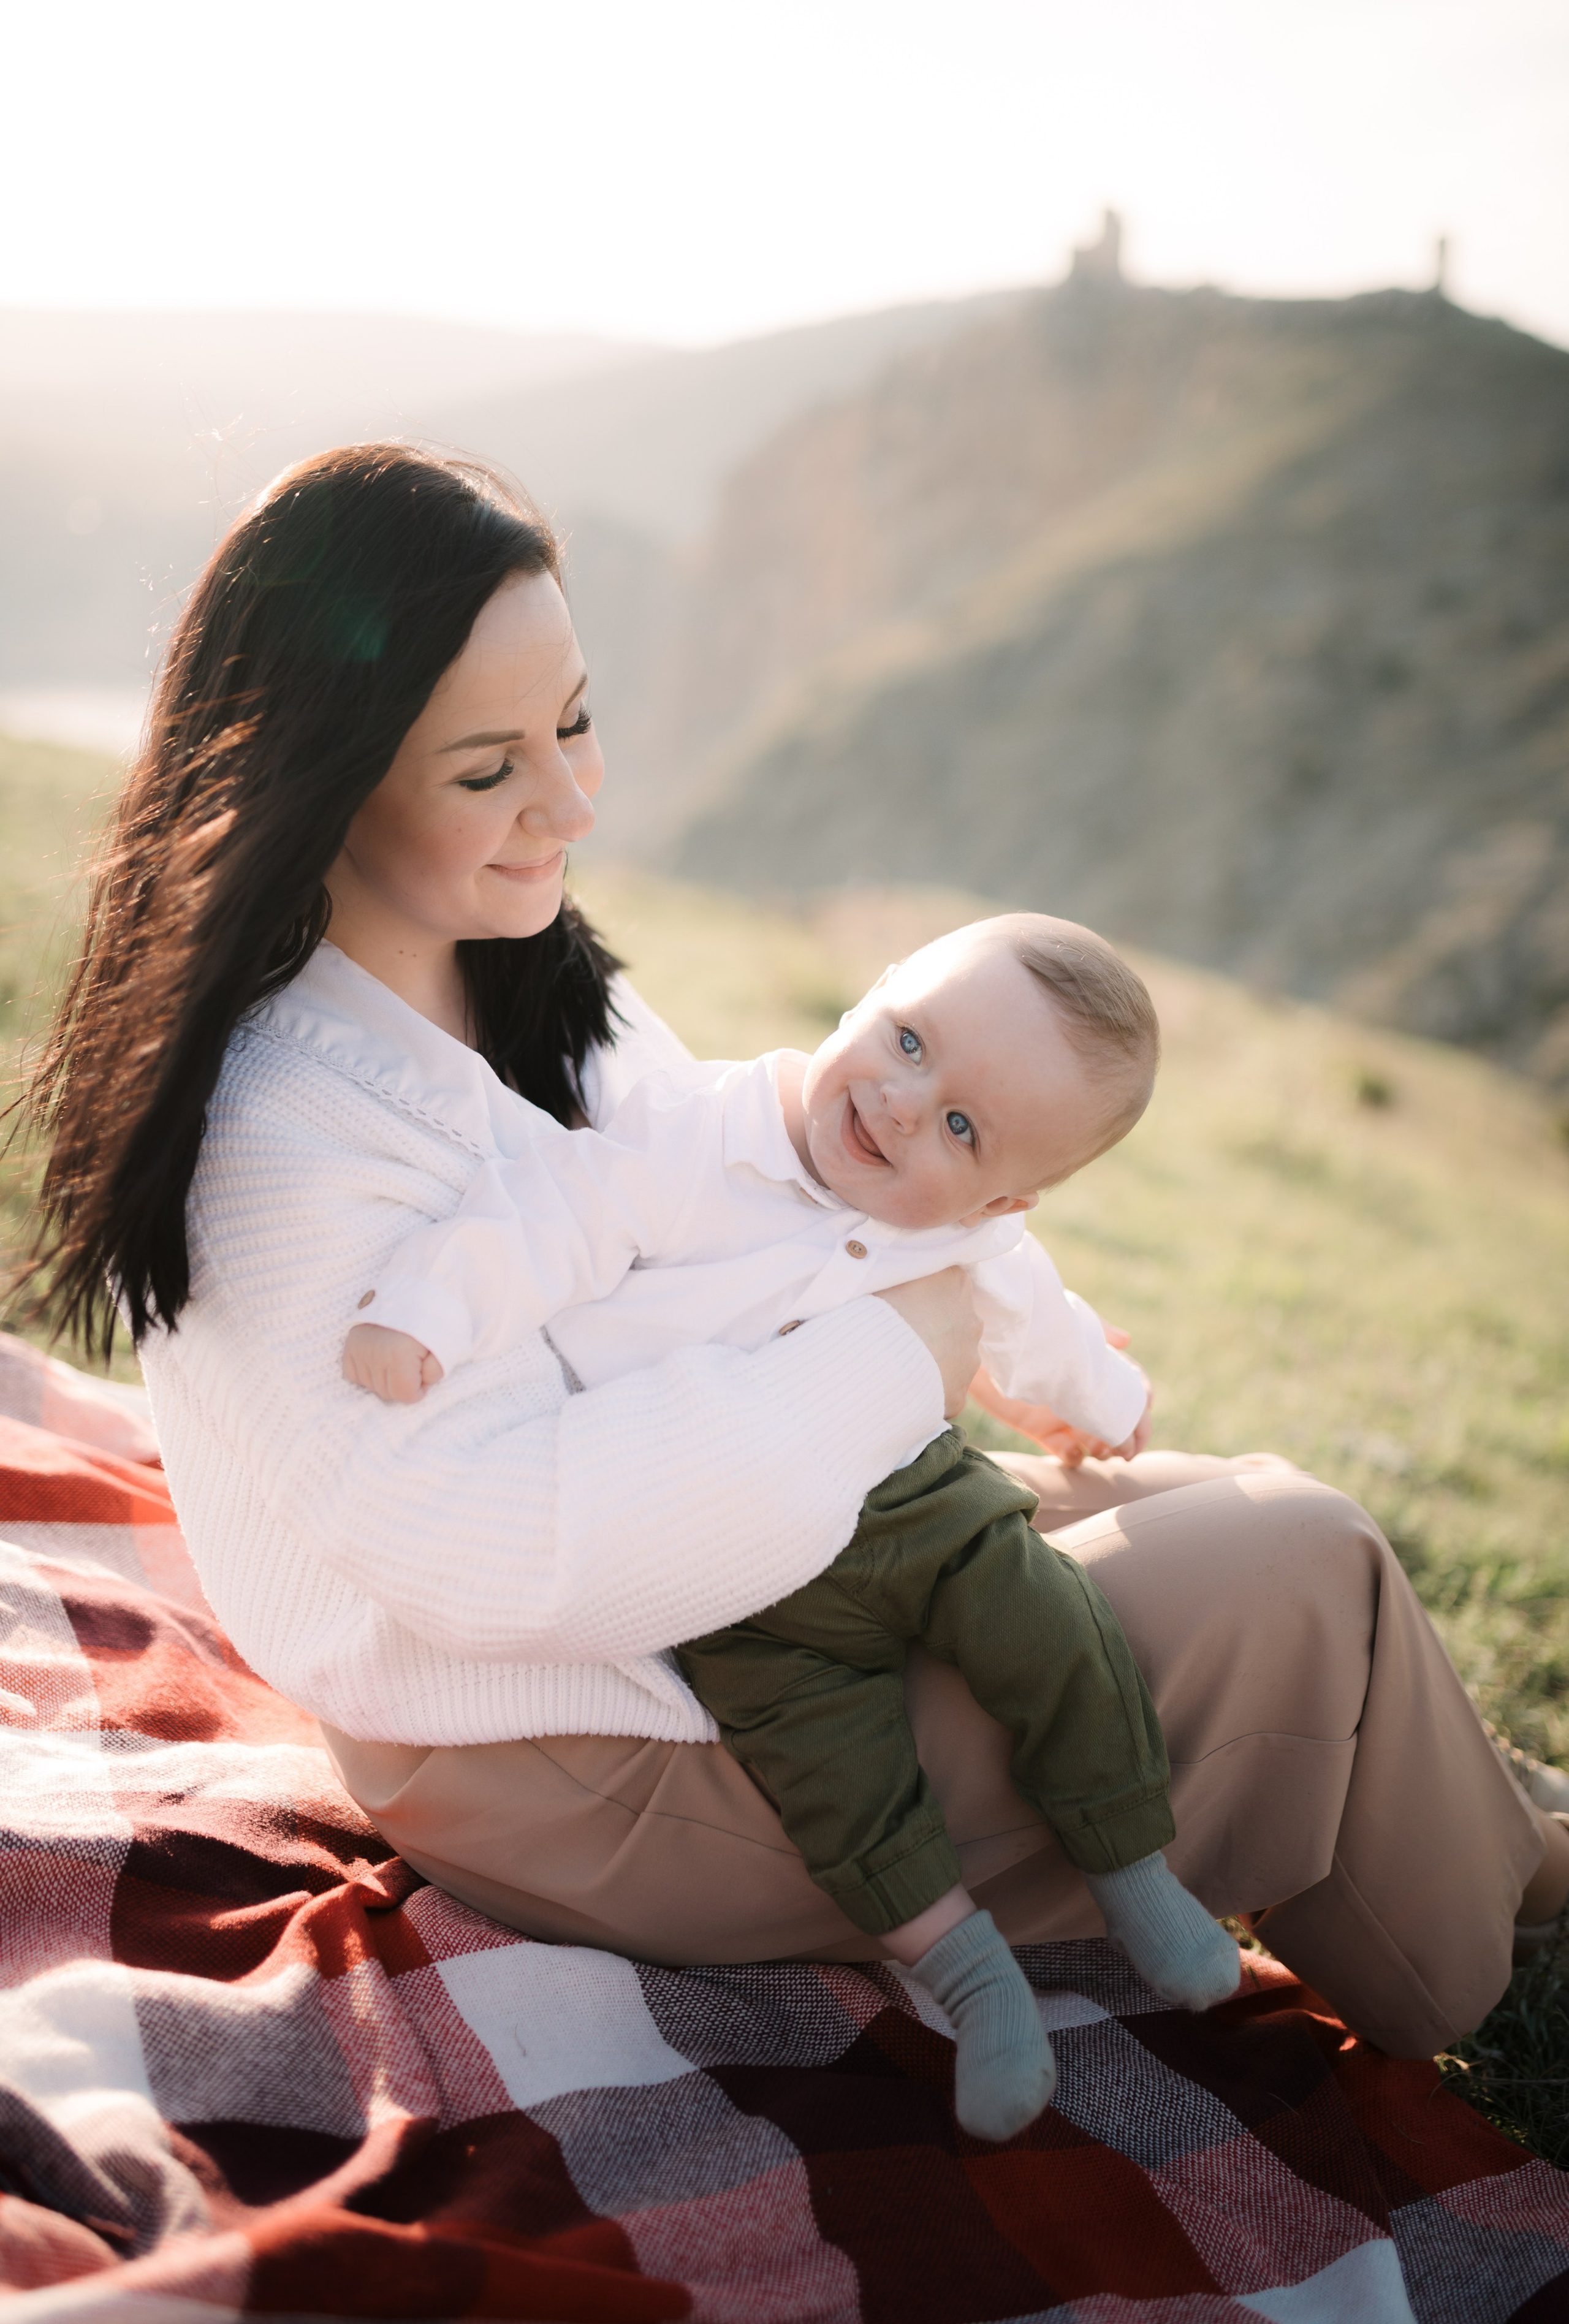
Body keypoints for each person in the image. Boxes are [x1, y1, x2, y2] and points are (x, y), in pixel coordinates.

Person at [21, 444, 1567, 2110]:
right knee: (1296, 1564)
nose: (572, 801)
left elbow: (736, 1232)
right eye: (490, 769)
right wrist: (910, 1346)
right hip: (582, 1754)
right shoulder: (289, 1131)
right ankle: (1491, 1936)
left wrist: (938, 1338)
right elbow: (506, 1559)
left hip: (723, 1612)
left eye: (578, 722)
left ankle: (1516, 1845)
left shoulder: (533, 982)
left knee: (1213, 1492)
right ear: (327, 782)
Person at [339, 913, 1240, 2138]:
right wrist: (427, 1311)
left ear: (1004, 1193)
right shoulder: (695, 1139)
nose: (903, 1107)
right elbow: (545, 1214)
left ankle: (1131, 1865)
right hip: (729, 1559)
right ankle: (969, 1979)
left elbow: (1042, 1330)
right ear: (874, 990)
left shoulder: (976, 1236)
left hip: (912, 1501)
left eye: (962, 1128)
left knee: (1044, 1619)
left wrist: (1110, 1408)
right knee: (831, 1773)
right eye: (910, 1041)